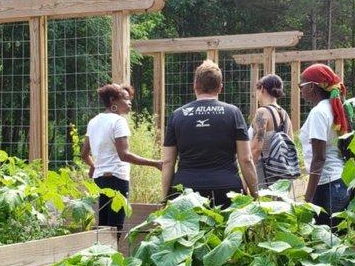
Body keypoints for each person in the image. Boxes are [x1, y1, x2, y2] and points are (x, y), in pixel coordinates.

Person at [161, 60, 258, 207]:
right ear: (220, 87)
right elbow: (246, 159)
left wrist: (165, 198)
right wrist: (256, 195)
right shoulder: (233, 113)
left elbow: (168, 162)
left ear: (195, 86)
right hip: (226, 189)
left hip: (186, 191)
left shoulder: (177, 115)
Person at [81, 83, 162, 232]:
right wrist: (156, 163)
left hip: (100, 180)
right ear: (113, 100)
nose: (130, 102)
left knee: (103, 227)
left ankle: (100, 255)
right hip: (117, 178)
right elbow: (124, 155)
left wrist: (94, 166)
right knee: (115, 229)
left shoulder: (93, 122)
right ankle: (112, 254)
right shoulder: (119, 121)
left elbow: (84, 154)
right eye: (125, 98)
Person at [299, 63, 353, 226]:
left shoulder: (318, 113)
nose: (299, 90)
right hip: (340, 181)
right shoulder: (334, 108)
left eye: (300, 85)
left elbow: (319, 158)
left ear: (312, 87)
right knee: (338, 239)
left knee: (325, 241)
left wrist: (308, 197)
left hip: (327, 186)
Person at [250, 74, 294, 187]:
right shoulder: (285, 114)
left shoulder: (262, 112)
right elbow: (291, 145)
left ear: (262, 89)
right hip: (283, 177)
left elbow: (256, 148)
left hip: (265, 176)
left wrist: (247, 179)